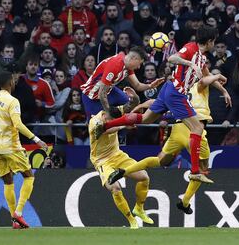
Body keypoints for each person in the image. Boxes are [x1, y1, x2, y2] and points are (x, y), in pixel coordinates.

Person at [94, 26, 231, 183]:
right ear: (210, 41)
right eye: (214, 41)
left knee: (146, 119)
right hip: (176, 93)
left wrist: (223, 90)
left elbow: (207, 76)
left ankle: (105, 126)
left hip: (169, 90)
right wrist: (190, 64)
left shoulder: (201, 57)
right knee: (198, 128)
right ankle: (194, 171)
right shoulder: (191, 48)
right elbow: (172, 59)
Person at [108, 73, 231, 214]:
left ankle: (124, 171)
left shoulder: (179, 92)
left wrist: (142, 104)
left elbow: (156, 103)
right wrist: (218, 76)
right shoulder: (199, 85)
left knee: (160, 160)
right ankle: (185, 202)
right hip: (194, 130)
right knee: (203, 169)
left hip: (177, 129)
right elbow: (205, 79)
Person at [0, 71, 47, 229]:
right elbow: (18, 124)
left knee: (8, 182)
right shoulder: (12, 101)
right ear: (9, 83)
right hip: (11, 146)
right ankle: (19, 213)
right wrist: (36, 139)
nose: (15, 84)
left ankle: (14, 220)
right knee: (29, 177)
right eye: (13, 81)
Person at [88, 87, 153, 229]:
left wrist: (134, 96)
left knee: (144, 177)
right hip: (102, 160)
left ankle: (139, 209)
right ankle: (131, 220)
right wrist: (124, 125)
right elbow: (105, 130)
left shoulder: (115, 111)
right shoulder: (95, 122)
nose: (114, 121)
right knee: (115, 188)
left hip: (117, 154)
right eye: (113, 120)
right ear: (105, 116)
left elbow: (132, 106)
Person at [81, 46, 164, 119]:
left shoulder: (127, 66)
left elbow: (137, 85)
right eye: (140, 64)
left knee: (134, 102)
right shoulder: (115, 65)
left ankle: (123, 125)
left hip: (108, 91)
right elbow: (102, 93)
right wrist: (109, 111)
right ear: (134, 58)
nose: (138, 67)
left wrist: (151, 85)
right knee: (98, 125)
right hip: (91, 96)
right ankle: (118, 123)